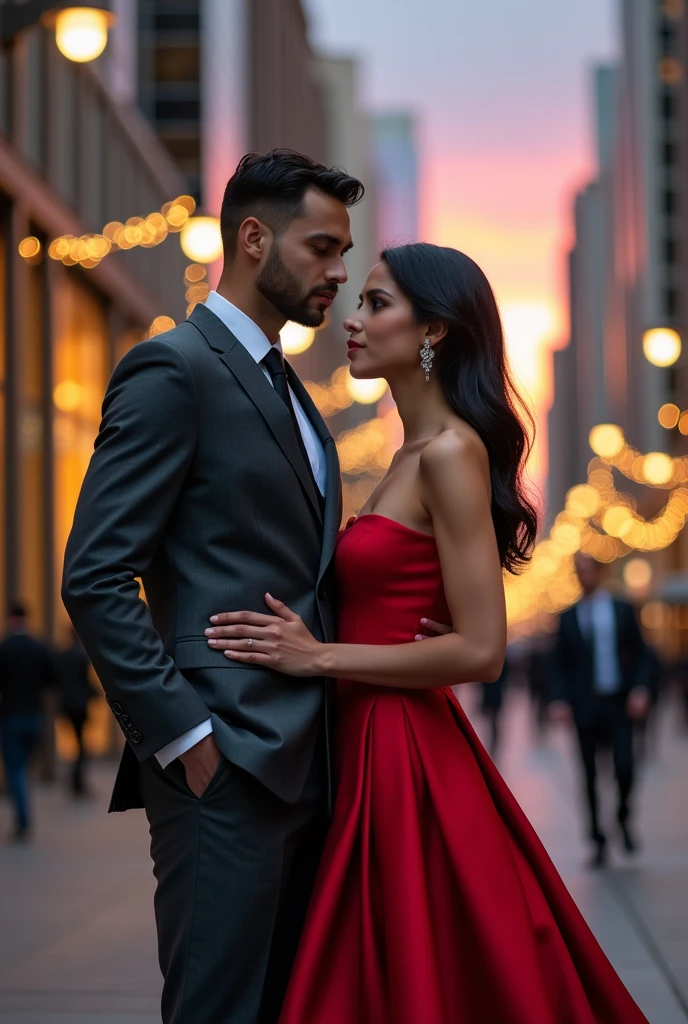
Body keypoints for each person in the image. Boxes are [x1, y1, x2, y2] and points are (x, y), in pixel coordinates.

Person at [207, 244, 649, 1023]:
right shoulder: (407, 454)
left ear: (434, 331)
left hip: (399, 746)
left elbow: (483, 649)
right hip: (365, 734)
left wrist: (319, 657)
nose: (354, 318)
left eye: (378, 303)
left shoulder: (450, 453)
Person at [63, 150, 424, 1024]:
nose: (340, 272)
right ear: (254, 239)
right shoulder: (173, 370)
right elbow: (95, 573)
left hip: (314, 768)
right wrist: (185, 737)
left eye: (344, 252)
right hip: (221, 767)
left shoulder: (296, 393)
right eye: (322, 248)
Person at [550, 553, 654, 868]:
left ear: (600, 571)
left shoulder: (622, 610)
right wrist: (559, 700)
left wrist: (640, 688)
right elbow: (559, 665)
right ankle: (597, 839)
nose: (583, 576)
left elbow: (643, 654)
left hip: (619, 703)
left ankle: (622, 816)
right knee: (589, 775)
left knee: (625, 766)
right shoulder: (567, 617)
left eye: (587, 570)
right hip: (585, 707)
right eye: (578, 571)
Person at [0, 602, 56, 841]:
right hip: (35, 716)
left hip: (11, 716)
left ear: (10, 618)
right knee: (24, 768)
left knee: (16, 770)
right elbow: (52, 679)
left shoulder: (5, 648)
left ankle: (23, 822)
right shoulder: (39, 647)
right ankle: (23, 814)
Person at [55, 628, 98, 797]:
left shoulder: (63, 657)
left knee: (79, 744)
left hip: (67, 705)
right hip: (80, 706)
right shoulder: (81, 656)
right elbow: (85, 681)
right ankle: (77, 781)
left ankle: (76, 780)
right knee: (82, 746)